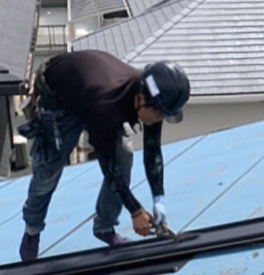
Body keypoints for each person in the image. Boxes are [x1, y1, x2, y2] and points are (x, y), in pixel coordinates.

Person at [17, 51, 190, 261]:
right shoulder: (107, 103)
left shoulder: (153, 98)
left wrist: (158, 199)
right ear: (141, 100)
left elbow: (152, 151)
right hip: (59, 98)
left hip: (90, 93)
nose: (160, 119)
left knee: (124, 156)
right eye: (159, 114)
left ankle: (104, 226)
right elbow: (108, 165)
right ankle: (32, 231)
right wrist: (135, 211)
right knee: (48, 171)